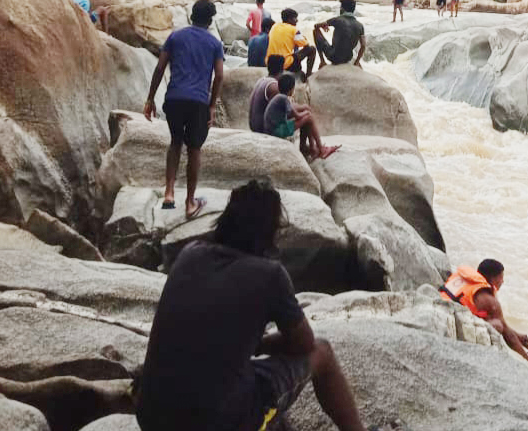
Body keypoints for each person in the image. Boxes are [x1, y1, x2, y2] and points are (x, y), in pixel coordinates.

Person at [136, 180, 368, 431]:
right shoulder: (271, 275)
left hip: (151, 416)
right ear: (271, 232)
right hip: (216, 423)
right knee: (322, 352)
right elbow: (304, 343)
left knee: (239, 379)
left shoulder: (190, 253)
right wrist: (262, 344)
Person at [143, 0, 225, 218]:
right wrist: (212, 105)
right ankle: (190, 202)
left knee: (175, 142)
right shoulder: (214, 44)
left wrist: (150, 99)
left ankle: (169, 193)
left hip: (174, 98)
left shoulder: (175, 37)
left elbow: (160, 68)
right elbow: (219, 76)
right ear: (210, 21)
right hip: (198, 102)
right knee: (194, 149)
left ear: (191, 16)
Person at [439, 259, 528, 369]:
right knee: (498, 325)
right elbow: (507, 334)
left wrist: (518, 336)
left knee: (494, 321)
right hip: (449, 323)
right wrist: (526, 355)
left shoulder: (465, 278)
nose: (502, 281)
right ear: (493, 279)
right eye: (501, 277)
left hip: (440, 308)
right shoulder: (489, 300)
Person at [264, 73, 339, 159]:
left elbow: (292, 110)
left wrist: (305, 111)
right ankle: (321, 150)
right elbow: (297, 115)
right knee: (309, 118)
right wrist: (306, 113)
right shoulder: (283, 99)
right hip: (277, 131)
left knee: (307, 117)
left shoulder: (279, 97)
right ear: (291, 89)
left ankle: (312, 148)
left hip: (275, 127)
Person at [312, 0, 366, 68]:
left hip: (334, 57)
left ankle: (322, 61)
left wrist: (323, 26)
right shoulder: (360, 25)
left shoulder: (337, 20)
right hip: (348, 58)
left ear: (342, 9)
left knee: (315, 31)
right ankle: (356, 62)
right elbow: (363, 45)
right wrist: (357, 62)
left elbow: (316, 26)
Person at [266, 8, 316, 79]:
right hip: (285, 64)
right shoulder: (293, 30)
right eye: (295, 18)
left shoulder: (274, 26)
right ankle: (308, 75)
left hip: (271, 63)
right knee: (312, 49)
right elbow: (306, 45)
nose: (297, 20)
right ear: (289, 19)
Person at [249, 54, 284, 133]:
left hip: (253, 126)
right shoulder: (274, 86)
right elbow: (275, 114)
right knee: (306, 117)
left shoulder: (261, 80)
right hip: (263, 129)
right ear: (282, 69)